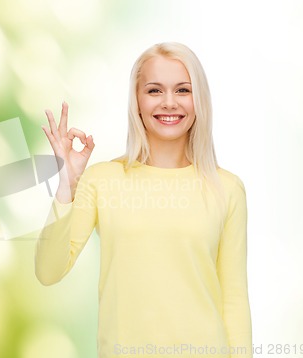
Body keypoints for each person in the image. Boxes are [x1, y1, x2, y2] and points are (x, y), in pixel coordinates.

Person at [35, 42, 252, 358]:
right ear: (136, 101)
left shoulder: (227, 188)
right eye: (154, 90)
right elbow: (48, 271)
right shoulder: (102, 180)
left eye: (182, 90)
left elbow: (234, 299)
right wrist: (67, 184)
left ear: (199, 100)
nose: (169, 103)